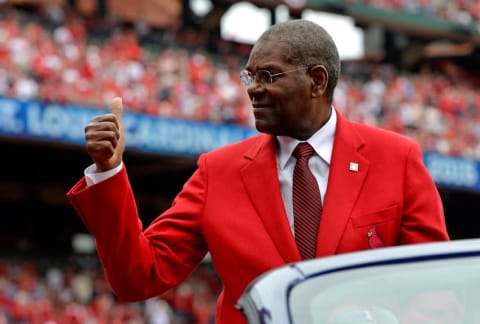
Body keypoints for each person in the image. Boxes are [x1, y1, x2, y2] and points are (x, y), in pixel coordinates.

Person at [66, 19, 450, 324]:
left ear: (317, 80)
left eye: (268, 76)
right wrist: (110, 171)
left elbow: (433, 288)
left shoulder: (396, 160)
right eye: (249, 76)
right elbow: (138, 276)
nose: (253, 89)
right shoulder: (218, 172)